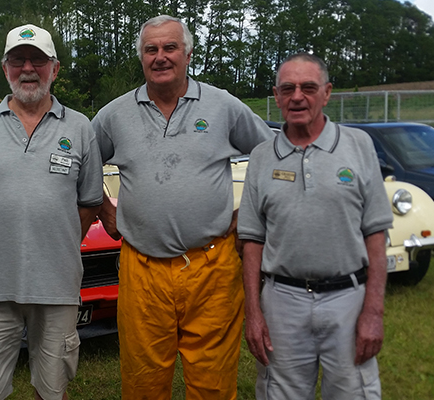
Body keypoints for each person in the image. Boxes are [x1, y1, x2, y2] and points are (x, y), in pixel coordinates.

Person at [91, 14, 274, 399]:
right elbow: (80, 164)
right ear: (141, 58)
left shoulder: (223, 106)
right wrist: (103, 208)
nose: (160, 56)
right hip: (143, 270)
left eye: (170, 47)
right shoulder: (114, 115)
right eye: (151, 49)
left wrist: (247, 213)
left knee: (212, 384)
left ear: (188, 54)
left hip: (212, 267)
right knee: (142, 383)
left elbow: (273, 156)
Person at [0, 24, 103, 400]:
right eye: (18, 60)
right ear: (6, 68)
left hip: (57, 285)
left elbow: (89, 204)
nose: (28, 68)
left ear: (55, 68)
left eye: (38, 60)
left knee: (52, 391)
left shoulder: (80, 128)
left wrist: (54, 242)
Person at [238, 53, 393, 399]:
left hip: (348, 299)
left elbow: (376, 234)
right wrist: (254, 313)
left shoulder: (358, 146)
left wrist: (373, 311)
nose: (297, 97)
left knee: (354, 392)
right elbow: (251, 241)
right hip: (282, 302)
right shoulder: (261, 157)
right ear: (276, 96)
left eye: (308, 87)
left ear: (327, 93)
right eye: (287, 88)